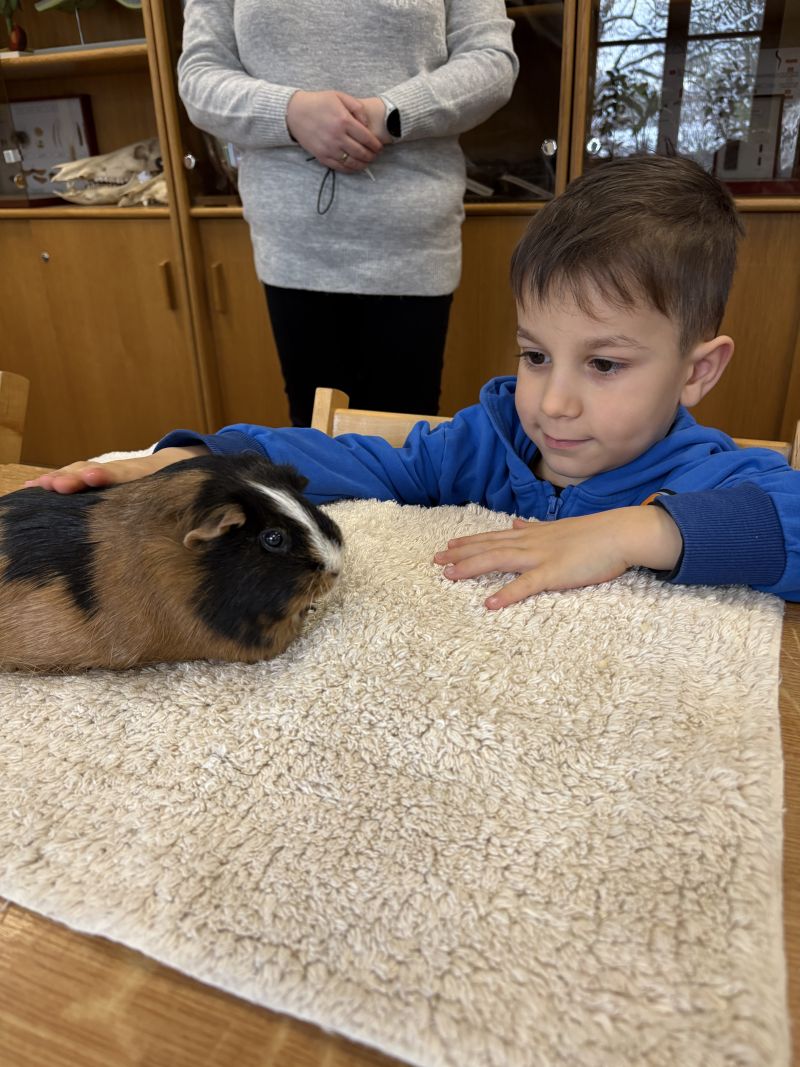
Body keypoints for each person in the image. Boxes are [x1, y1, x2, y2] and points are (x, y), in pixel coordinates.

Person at [28, 155, 800, 607]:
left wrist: (635, 531)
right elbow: (356, 459)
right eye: (536, 356)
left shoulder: (715, 476)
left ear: (697, 371)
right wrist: (209, 461)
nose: (553, 403)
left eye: (604, 364)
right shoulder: (485, 442)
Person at [177, 0, 518, 426]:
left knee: (405, 430)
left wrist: (389, 114)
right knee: (313, 429)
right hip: (293, 247)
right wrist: (289, 111)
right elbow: (199, 77)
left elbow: (491, 61)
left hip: (410, 244)